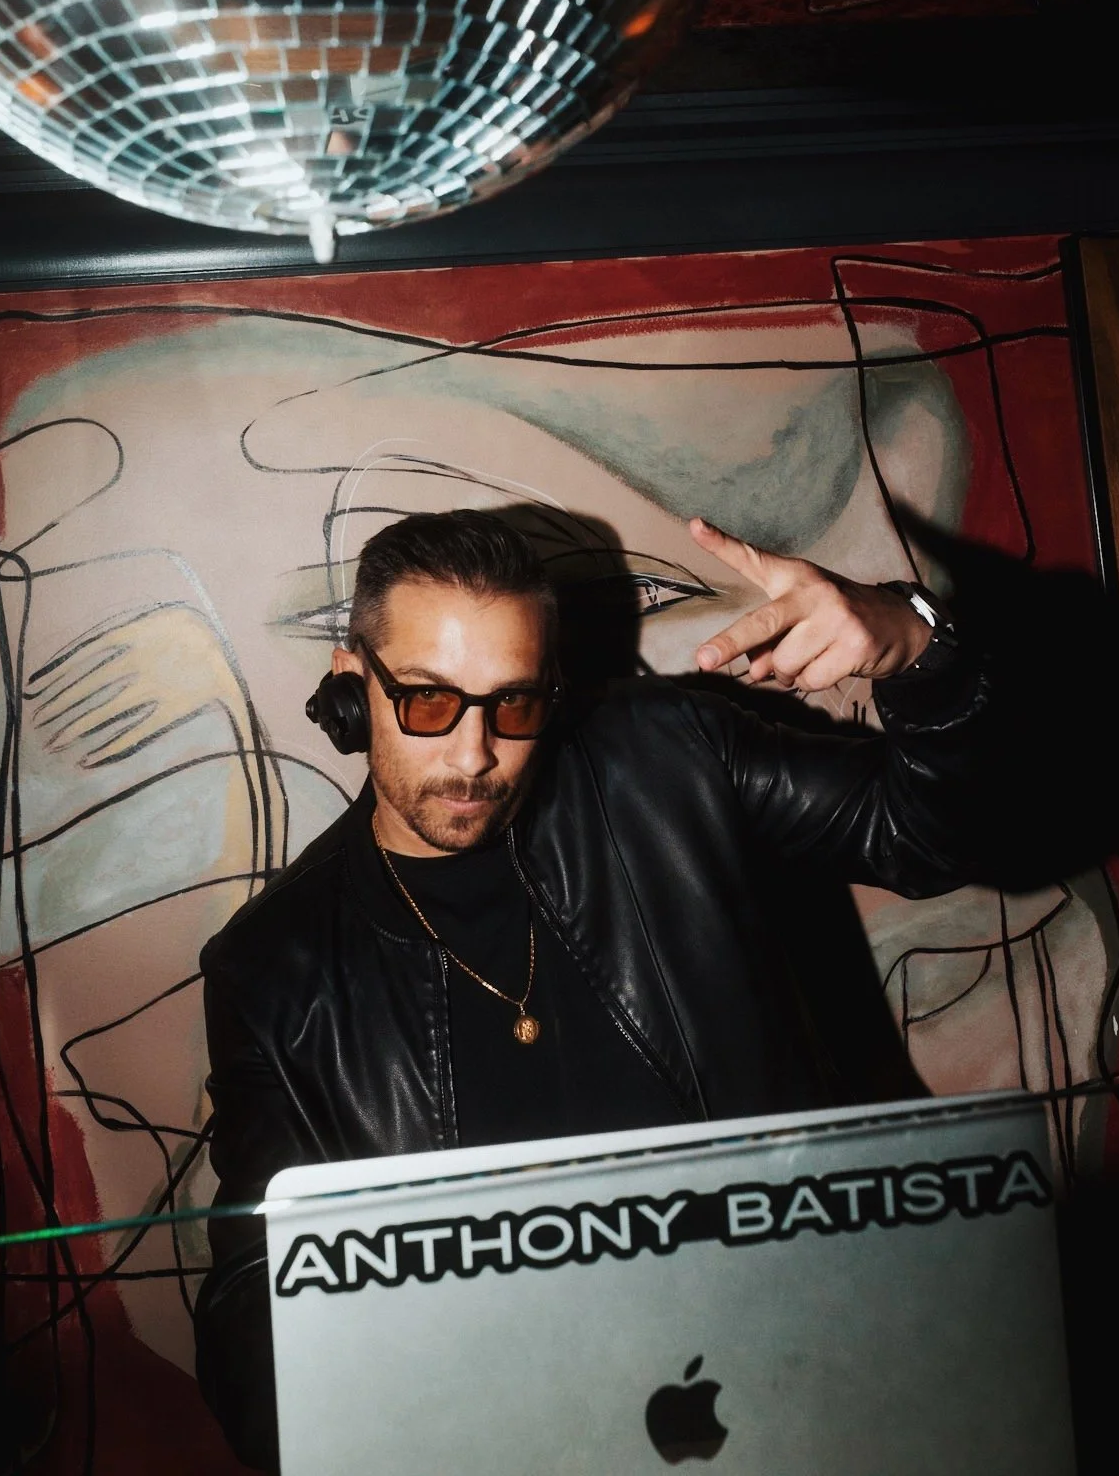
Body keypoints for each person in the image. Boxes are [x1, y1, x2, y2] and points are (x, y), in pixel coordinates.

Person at [195, 506, 988, 1469]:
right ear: (350, 687)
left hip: (813, 1386)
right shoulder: (275, 971)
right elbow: (252, 1311)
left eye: (513, 704)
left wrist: (916, 645)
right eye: (429, 702)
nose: (474, 754)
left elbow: (932, 833)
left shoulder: (670, 761)